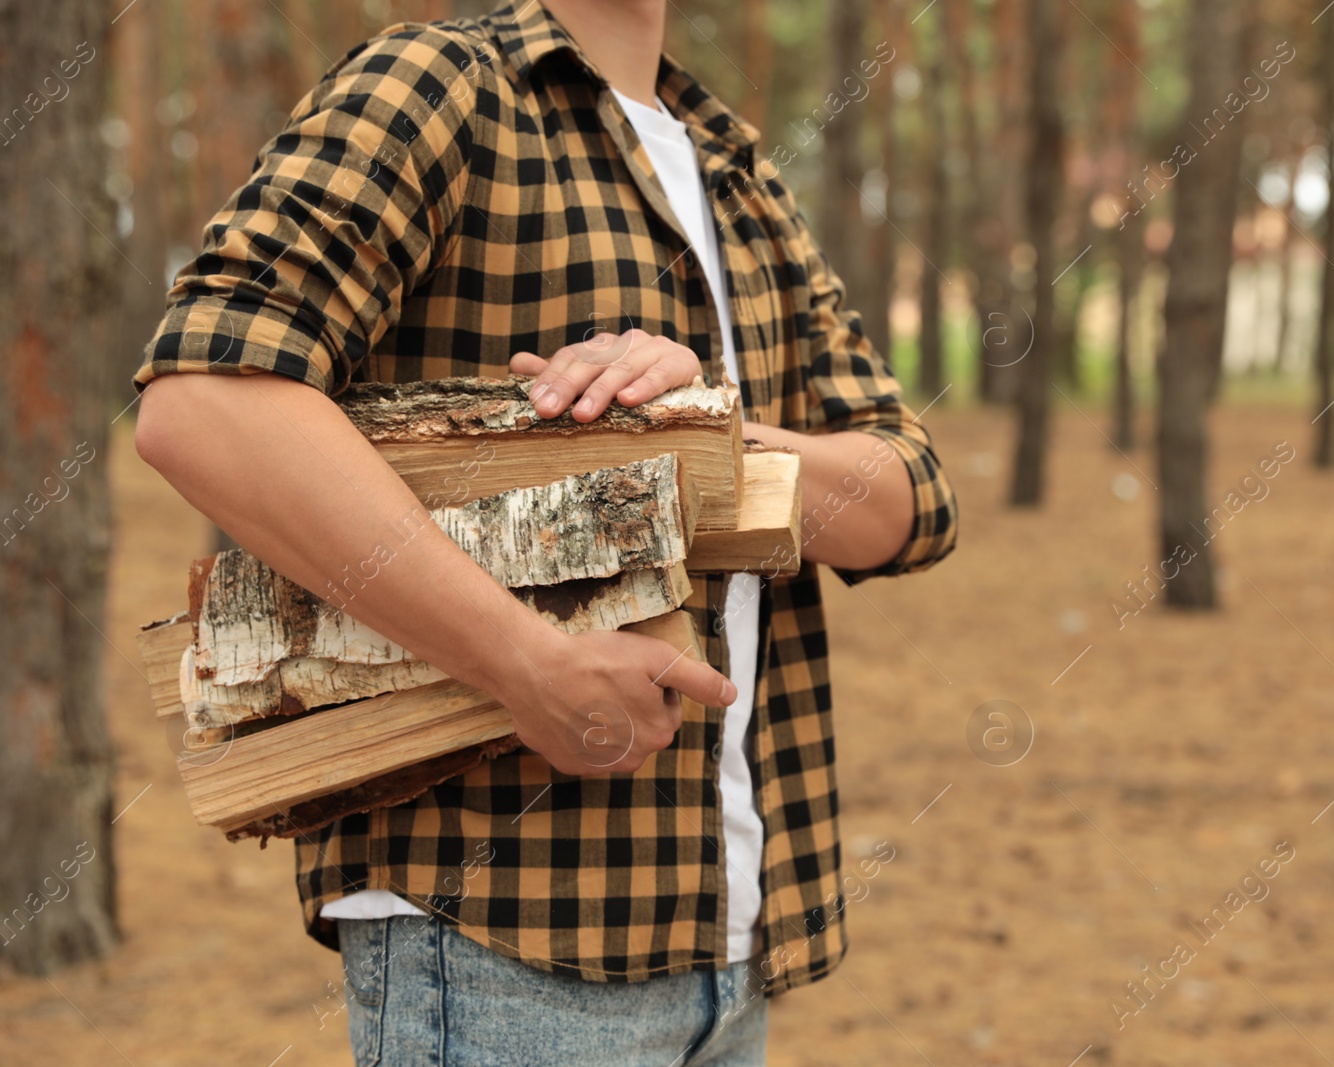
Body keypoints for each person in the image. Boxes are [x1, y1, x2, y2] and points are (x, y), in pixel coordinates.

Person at [132, 2, 957, 1063]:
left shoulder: (734, 169)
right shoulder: (436, 86)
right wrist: (524, 662)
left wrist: (703, 424)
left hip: (732, 945)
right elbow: (205, 401)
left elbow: (909, 497)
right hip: (503, 942)